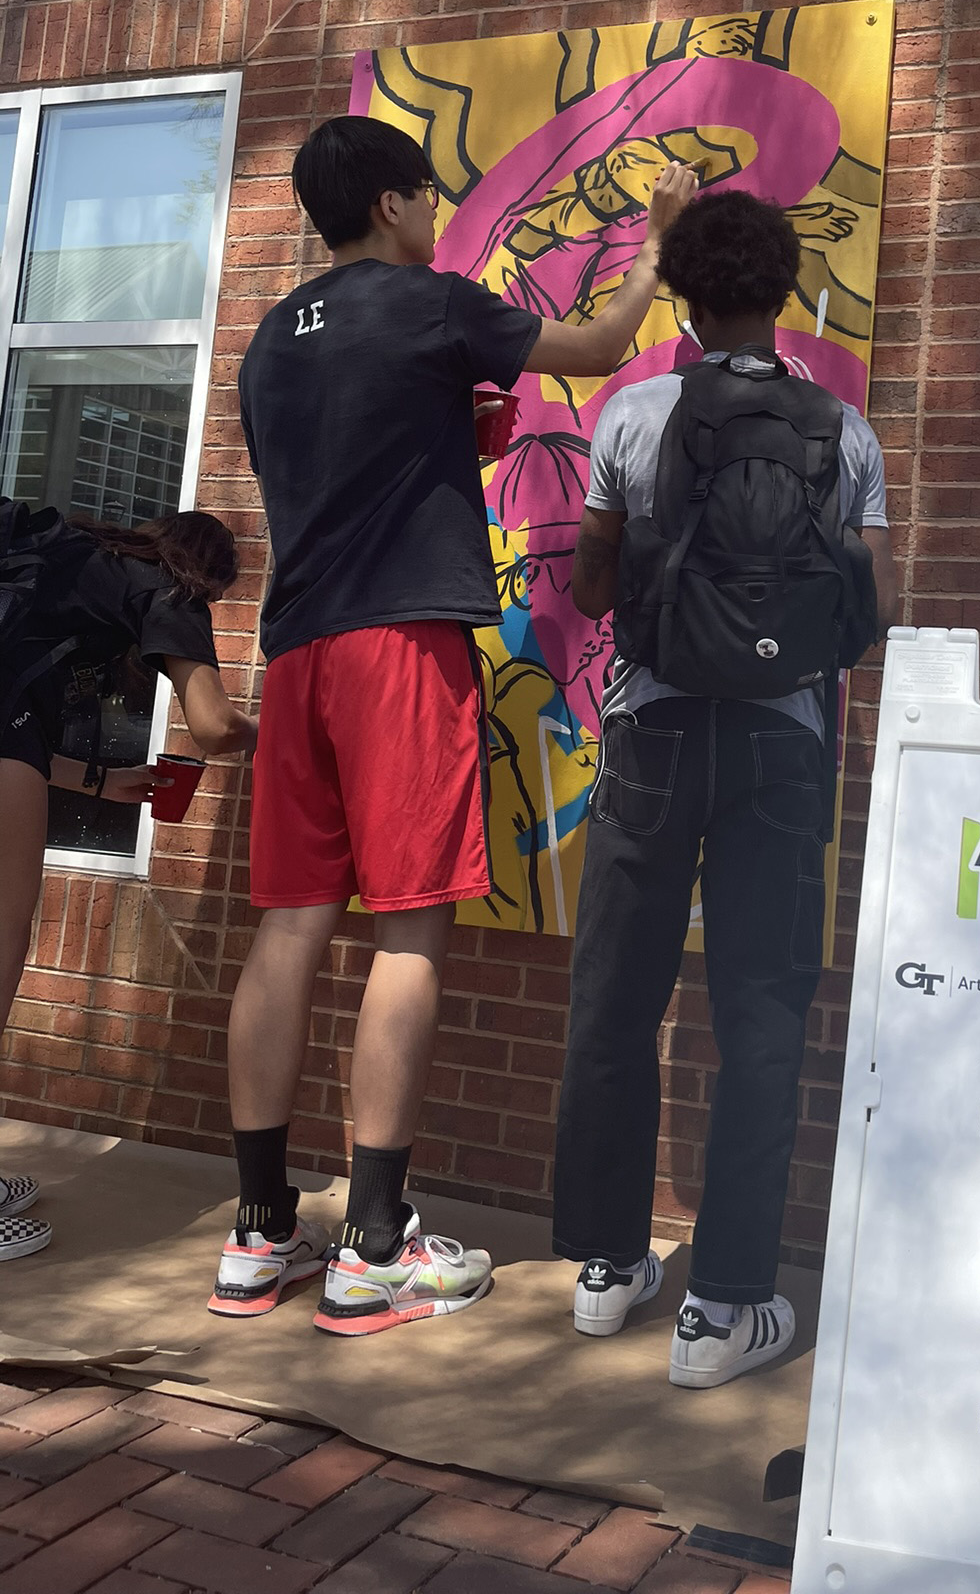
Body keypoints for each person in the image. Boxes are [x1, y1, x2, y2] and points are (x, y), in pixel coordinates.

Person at [217, 114, 695, 1336]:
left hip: (300, 647)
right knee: (411, 928)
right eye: (426, 196)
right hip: (401, 646)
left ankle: (260, 1229)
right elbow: (592, 343)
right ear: (390, 203)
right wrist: (657, 244)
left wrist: (447, 437)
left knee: (288, 926)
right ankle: (375, 1244)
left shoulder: (270, 341)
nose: (436, 215)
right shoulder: (430, 303)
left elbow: (340, 466)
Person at [553, 187, 898, 1389]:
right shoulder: (843, 431)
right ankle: (724, 1306)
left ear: (689, 294)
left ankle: (605, 1272)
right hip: (781, 745)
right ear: (784, 288)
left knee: (615, 995)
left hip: (650, 734)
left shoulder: (634, 412)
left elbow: (595, 593)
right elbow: (871, 613)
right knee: (761, 1012)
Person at [0, 502, 257, 1261]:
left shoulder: (67, 545)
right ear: (204, 572)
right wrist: (286, 734)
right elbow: (210, 725)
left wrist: (99, 779)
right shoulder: (167, 590)